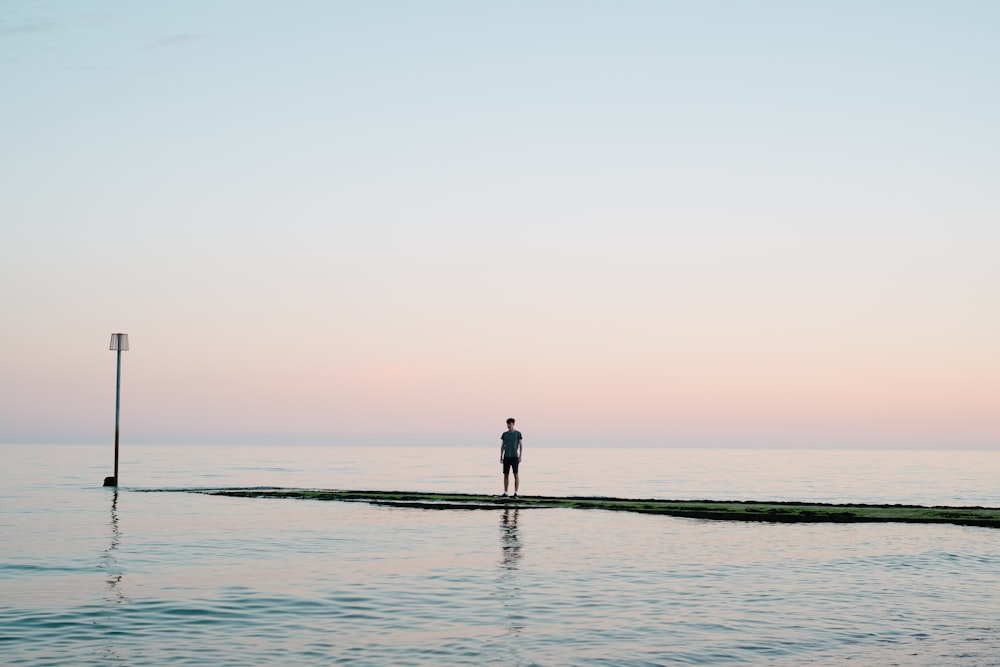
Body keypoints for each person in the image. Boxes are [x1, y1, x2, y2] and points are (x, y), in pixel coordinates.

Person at [500, 418, 523, 498]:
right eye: (507, 424)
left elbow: (521, 445)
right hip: (506, 457)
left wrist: (520, 456)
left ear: (513, 424)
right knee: (506, 475)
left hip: (514, 457)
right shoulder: (505, 434)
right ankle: (506, 492)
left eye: (509, 424)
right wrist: (501, 456)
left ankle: (516, 492)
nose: (508, 425)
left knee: (515, 474)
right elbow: (502, 445)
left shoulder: (518, 434)